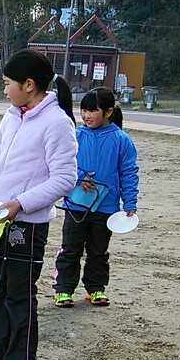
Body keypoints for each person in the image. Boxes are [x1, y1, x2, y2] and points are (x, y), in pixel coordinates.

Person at [0, 49, 78, 360]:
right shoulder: (10, 117)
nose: (4, 90)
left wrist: (21, 203)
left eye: (7, 83)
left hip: (25, 224)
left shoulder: (57, 123)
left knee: (19, 293)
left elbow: (65, 178)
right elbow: (0, 157)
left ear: (28, 85)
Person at [53, 87, 139, 308]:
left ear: (108, 112)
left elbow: (129, 173)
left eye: (92, 110)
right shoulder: (76, 136)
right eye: (83, 110)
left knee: (98, 251)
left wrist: (130, 202)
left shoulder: (121, 140)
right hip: (76, 205)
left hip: (106, 207)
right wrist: (80, 176)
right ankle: (63, 289)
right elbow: (61, 164)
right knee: (70, 249)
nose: (86, 115)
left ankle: (96, 288)